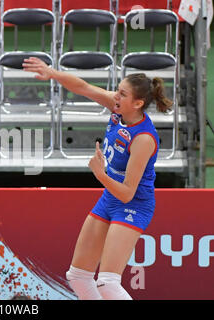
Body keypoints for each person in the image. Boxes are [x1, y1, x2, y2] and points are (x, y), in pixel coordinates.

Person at [23, 57, 173, 300]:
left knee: (107, 283)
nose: (116, 96)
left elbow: (127, 193)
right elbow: (83, 87)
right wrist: (53, 73)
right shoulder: (117, 110)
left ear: (138, 103)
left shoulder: (143, 138)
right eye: (117, 90)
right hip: (110, 198)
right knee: (78, 276)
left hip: (134, 204)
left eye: (122, 94)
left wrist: (100, 174)